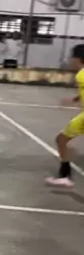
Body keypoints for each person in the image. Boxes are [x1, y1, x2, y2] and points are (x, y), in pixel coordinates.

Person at [45, 43, 84, 189]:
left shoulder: (82, 75)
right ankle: (64, 175)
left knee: (61, 140)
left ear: (77, 59)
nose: (69, 60)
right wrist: (75, 99)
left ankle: (65, 175)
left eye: (71, 57)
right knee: (61, 139)